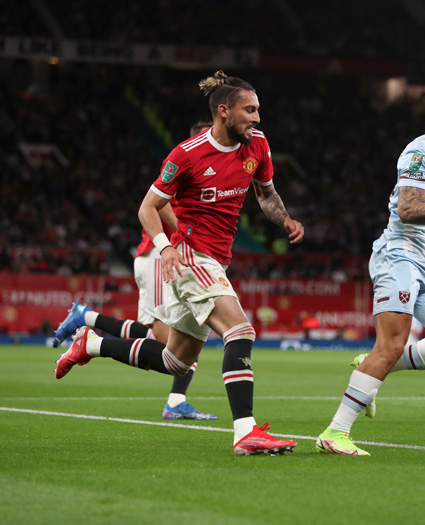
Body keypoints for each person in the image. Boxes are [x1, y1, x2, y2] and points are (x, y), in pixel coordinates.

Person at [54, 71, 305, 456]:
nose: (257, 118)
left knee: (175, 360)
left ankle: (93, 343)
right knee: (240, 331)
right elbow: (147, 207)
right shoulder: (186, 155)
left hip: (217, 258)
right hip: (190, 255)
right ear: (224, 111)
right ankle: (246, 431)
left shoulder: (257, 146)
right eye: (249, 110)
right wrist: (165, 247)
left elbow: (266, 193)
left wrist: (284, 219)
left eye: (258, 110)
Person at [315, 78, 425, 456]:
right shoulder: (418, 153)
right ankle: (335, 432)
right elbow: (409, 210)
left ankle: (374, 366)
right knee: (392, 343)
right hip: (399, 256)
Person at [53, 122, 217, 421]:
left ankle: (85, 319)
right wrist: (185, 236)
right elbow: (157, 203)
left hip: (162, 255)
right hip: (161, 255)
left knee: (172, 338)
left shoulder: (208, 167)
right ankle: (173, 399)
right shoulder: (191, 162)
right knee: (173, 345)